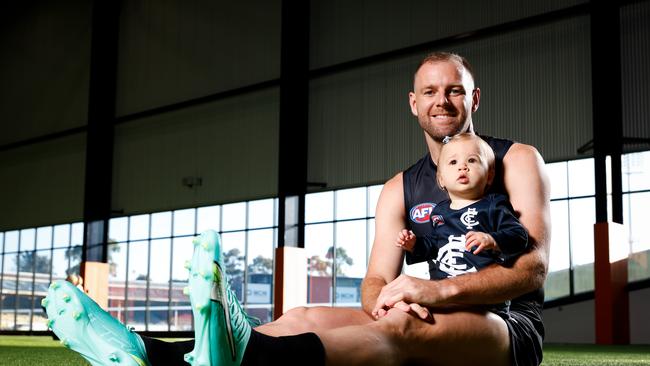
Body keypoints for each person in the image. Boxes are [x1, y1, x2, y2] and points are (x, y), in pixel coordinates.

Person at [43, 52, 550, 366]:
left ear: (474, 99)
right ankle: (149, 353)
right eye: (430, 91)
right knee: (303, 314)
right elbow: (376, 279)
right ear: (413, 104)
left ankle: (252, 358)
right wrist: (387, 300)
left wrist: (434, 292)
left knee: (403, 328)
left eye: (455, 90)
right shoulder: (399, 188)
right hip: (431, 306)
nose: (443, 100)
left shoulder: (517, 159)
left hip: (506, 329)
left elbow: (533, 268)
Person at [395, 133, 529, 316]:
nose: (463, 167)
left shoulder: (494, 205)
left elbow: (519, 236)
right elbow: (434, 245)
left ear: (489, 175)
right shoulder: (439, 213)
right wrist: (414, 244)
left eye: (472, 161)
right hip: (444, 298)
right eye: (453, 163)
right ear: (441, 179)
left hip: (485, 302)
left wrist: (493, 239)